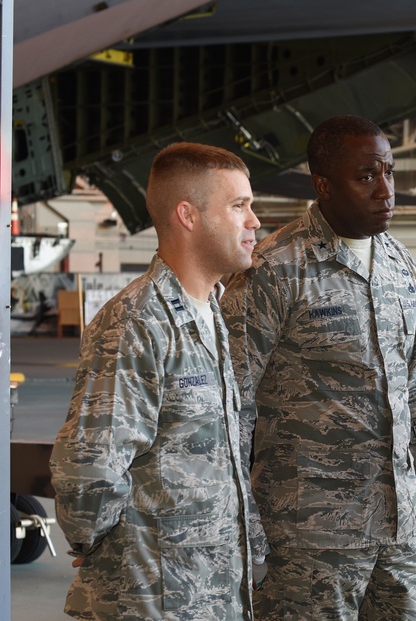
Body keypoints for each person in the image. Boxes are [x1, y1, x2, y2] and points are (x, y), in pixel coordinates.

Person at [222, 115, 416, 620]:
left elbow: (414, 386)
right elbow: (229, 405)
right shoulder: (276, 268)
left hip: (399, 528)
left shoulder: (400, 264)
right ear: (323, 185)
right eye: (366, 176)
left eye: (389, 172)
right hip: (309, 536)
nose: (385, 189)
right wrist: (246, 525)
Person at [50, 143, 263, 619]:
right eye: (239, 206)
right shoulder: (137, 321)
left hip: (212, 591)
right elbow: (89, 469)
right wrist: (98, 543)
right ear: (188, 215)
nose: (254, 222)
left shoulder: (210, 313)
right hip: (151, 599)